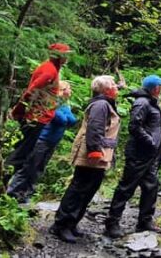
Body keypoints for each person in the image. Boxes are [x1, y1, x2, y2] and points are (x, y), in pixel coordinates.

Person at [50, 75, 120, 243]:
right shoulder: (100, 105)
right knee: (79, 189)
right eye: (113, 85)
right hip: (92, 154)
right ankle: (61, 225)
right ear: (106, 89)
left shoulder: (105, 103)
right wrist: (94, 152)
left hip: (100, 153)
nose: (116, 88)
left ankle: (72, 223)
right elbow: (94, 128)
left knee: (88, 189)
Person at [6, 43, 72, 200]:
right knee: (21, 154)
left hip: (39, 117)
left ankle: (14, 192)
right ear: (58, 56)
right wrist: (19, 111)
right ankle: (3, 186)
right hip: (35, 118)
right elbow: (32, 91)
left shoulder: (52, 69)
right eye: (65, 55)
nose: (67, 58)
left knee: (25, 153)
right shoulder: (49, 70)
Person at [105, 74, 161, 238]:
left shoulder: (152, 103)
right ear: (154, 88)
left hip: (150, 155)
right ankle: (112, 223)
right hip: (139, 153)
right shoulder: (142, 102)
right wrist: (150, 141)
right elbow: (134, 126)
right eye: (160, 86)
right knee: (126, 187)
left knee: (151, 187)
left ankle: (145, 221)